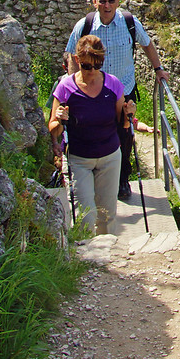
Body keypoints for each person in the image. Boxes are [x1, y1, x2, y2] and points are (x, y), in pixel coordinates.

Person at [65, 0, 168, 201]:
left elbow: (147, 44)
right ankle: (93, 177)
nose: (107, 5)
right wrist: (72, 87)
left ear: (118, 2)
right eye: (102, 1)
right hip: (92, 92)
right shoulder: (85, 25)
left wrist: (158, 69)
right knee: (93, 132)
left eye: (111, 1)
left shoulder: (129, 23)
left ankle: (122, 179)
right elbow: (71, 55)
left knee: (124, 136)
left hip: (124, 90)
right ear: (94, 2)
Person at [49, 35, 132, 235]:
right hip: (79, 159)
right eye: (87, 66)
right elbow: (53, 129)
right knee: (85, 215)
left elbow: (123, 123)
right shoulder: (65, 87)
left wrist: (130, 113)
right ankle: (88, 261)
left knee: (107, 214)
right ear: (77, 61)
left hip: (110, 157)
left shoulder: (113, 84)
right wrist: (59, 119)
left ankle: (109, 258)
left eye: (98, 65)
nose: (93, 71)